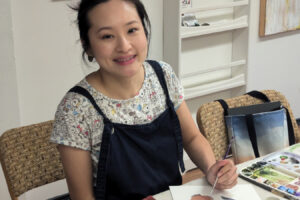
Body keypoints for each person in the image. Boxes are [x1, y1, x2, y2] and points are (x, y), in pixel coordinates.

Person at [50, 0, 238, 199]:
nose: (124, 46)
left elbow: (191, 138)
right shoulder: (75, 109)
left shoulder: (163, 76)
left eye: (132, 30)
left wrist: (212, 170)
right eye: (107, 36)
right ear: (87, 45)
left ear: (145, 30)